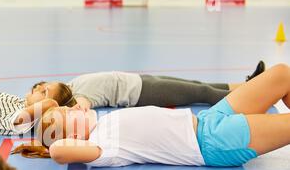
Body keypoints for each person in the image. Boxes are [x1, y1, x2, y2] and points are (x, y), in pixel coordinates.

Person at [13, 63, 290, 168]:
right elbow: (60, 151)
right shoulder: (103, 148)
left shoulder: (104, 123)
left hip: (208, 119)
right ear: (73, 137)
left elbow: (60, 125)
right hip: (214, 141)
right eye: (69, 114)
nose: (75, 107)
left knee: (281, 75)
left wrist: (51, 107)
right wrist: (49, 139)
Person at [30, 61, 265, 111]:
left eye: (40, 87)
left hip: (141, 80)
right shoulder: (80, 95)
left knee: (198, 84)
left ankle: (251, 85)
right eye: (43, 92)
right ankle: (257, 97)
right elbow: (81, 107)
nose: (41, 86)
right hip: (145, 93)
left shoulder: (73, 84)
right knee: (201, 93)